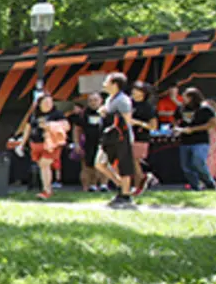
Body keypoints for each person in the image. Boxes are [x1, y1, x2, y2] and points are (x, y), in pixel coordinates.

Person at [95, 73, 136, 209]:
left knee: (124, 166)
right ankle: (121, 185)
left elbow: (127, 119)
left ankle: (125, 195)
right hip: (109, 137)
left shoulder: (123, 100)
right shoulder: (109, 99)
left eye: (107, 81)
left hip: (121, 137)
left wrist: (107, 114)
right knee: (100, 163)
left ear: (115, 84)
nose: (104, 83)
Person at [15, 94, 67, 199]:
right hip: (36, 144)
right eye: (46, 102)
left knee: (44, 164)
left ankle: (46, 190)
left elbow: (66, 126)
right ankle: (47, 188)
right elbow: (28, 129)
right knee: (43, 166)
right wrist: (22, 144)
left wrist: (50, 126)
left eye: (50, 102)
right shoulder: (34, 115)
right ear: (39, 104)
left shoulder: (57, 114)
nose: (49, 105)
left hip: (50, 144)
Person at [175, 88, 216, 190]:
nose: (183, 99)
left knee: (198, 162)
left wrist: (193, 129)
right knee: (186, 166)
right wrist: (177, 129)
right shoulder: (181, 108)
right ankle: (195, 186)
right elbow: (176, 121)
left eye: (185, 97)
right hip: (185, 141)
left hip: (200, 141)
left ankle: (209, 182)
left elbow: (213, 123)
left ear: (192, 98)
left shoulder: (205, 109)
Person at [68, 94, 107, 191]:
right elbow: (77, 129)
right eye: (90, 100)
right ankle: (90, 186)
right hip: (88, 143)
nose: (93, 102)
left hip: (104, 142)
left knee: (104, 164)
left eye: (95, 100)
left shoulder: (107, 112)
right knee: (88, 166)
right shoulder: (84, 113)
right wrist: (76, 144)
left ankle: (104, 185)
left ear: (101, 101)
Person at [129, 82, 159, 196]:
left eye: (137, 90)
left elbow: (153, 126)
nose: (133, 92)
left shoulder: (147, 107)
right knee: (131, 162)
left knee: (135, 160)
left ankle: (139, 184)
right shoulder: (129, 104)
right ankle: (136, 185)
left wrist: (137, 122)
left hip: (140, 137)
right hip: (128, 136)